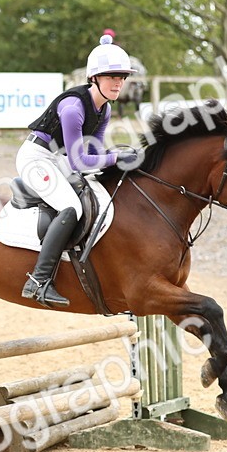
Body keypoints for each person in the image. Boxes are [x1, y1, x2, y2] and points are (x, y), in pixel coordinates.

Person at [15, 34, 138, 308]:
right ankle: (38, 281)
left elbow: (93, 153)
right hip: (36, 158)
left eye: (122, 77)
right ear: (94, 78)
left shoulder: (103, 109)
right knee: (71, 207)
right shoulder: (73, 108)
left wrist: (121, 157)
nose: (118, 82)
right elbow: (79, 162)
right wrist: (117, 157)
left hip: (57, 159)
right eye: (111, 76)